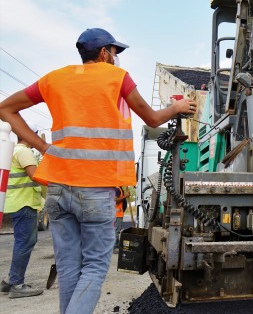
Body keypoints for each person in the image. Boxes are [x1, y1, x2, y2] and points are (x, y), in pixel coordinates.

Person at [0, 28, 196, 313]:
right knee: (93, 267)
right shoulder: (117, 78)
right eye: (115, 53)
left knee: (69, 268)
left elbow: (5, 109)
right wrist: (177, 106)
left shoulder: (53, 79)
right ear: (104, 53)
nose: (116, 59)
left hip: (57, 188)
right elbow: (152, 118)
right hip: (94, 190)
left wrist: (43, 147)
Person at [0, 123, 44, 299]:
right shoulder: (24, 151)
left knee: (22, 242)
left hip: (16, 202)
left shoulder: (12, 150)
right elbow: (36, 176)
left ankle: (11, 281)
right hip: (24, 203)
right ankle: (17, 284)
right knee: (25, 243)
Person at [113, 186, 130, 253]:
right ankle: (115, 247)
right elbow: (115, 200)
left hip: (118, 214)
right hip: (117, 214)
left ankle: (116, 245)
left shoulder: (119, 188)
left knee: (116, 231)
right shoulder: (117, 189)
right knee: (116, 231)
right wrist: (125, 196)